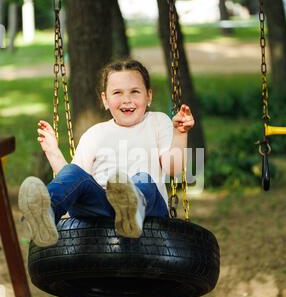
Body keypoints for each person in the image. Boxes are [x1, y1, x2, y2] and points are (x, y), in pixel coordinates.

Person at [18, 59, 195, 246]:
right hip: (101, 211)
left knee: (143, 179)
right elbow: (75, 185)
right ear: (105, 100)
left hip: (149, 211)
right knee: (73, 173)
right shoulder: (94, 134)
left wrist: (180, 133)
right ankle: (45, 214)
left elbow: (173, 168)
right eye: (117, 93)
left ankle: (132, 212)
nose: (127, 99)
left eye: (135, 92)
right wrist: (53, 152)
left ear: (148, 96)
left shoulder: (158, 122)